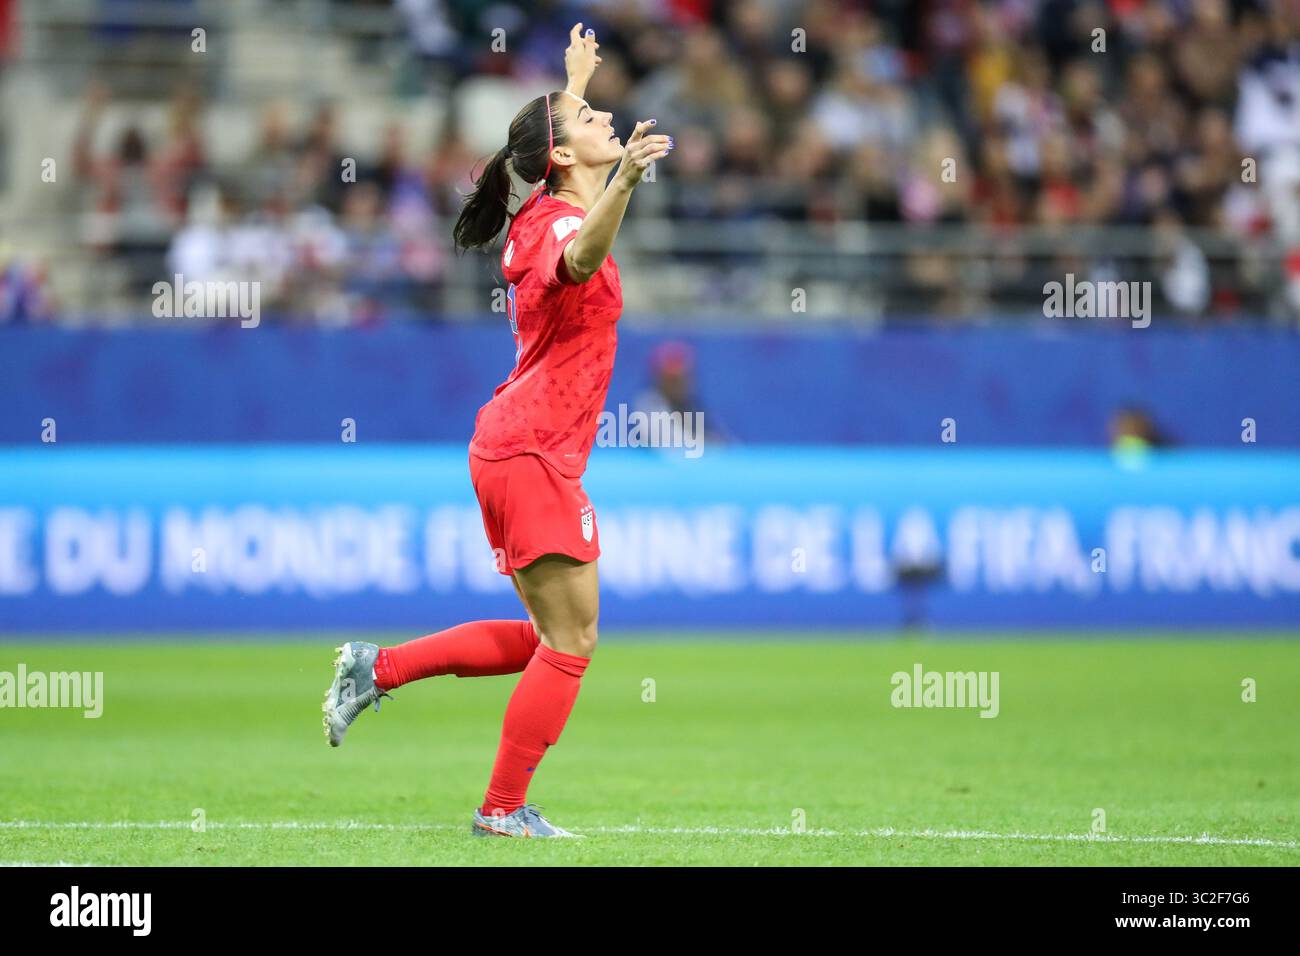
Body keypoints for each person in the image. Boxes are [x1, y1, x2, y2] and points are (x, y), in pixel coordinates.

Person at [322, 23, 672, 838]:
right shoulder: (555, 225)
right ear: (566, 157)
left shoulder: (549, 201)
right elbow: (581, 258)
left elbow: (553, 146)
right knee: (574, 637)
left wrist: (575, 82)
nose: (604, 120)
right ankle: (502, 809)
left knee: (545, 637)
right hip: (531, 450)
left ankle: (379, 668)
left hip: (519, 448)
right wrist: (620, 178)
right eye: (588, 120)